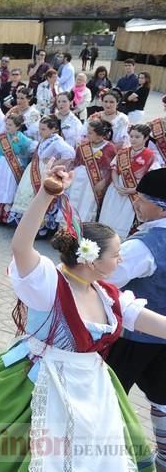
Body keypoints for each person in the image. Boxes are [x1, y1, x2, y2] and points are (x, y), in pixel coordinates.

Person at [0, 164, 166, 471]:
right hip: (41, 381)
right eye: (116, 254)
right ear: (92, 260)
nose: (121, 259)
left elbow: (150, 321)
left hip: (93, 389)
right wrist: (46, 194)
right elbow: (20, 246)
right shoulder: (50, 285)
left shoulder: (109, 296)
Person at [106, 168, 166, 472]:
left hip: (135, 336)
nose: (136, 204)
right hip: (164, 336)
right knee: (163, 397)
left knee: (107, 393)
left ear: (160, 206)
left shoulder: (144, 244)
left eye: (140, 199)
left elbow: (106, 278)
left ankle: (105, 458)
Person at [7, 117, 75, 233]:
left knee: (38, 194)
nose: (40, 131)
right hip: (35, 167)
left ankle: (38, 228)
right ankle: (25, 225)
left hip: (44, 169)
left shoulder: (57, 141)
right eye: (40, 128)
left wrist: (53, 163)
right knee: (27, 193)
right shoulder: (46, 139)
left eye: (43, 129)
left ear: (53, 129)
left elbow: (69, 154)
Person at [99, 125, 161, 238]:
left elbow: (151, 177)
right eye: (131, 136)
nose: (133, 139)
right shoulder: (123, 152)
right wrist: (117, 185)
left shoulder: (150, 155)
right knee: (109, 214)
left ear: (146, 138)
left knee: (124, 218)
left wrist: (134, 189)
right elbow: (114, 168)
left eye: (137, 137)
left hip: (134, 191)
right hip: (117, 189)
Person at [0, 114, 35, 223]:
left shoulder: (21, 137)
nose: (7, 126)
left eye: (10, 125)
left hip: (12, 167)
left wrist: (21, 158)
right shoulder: (1, 136)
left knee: (9, 186)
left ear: (18, 126)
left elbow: (31, 149)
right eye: (6, 124)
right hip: (0, 164)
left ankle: (5, 214)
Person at [66, 119, 117, 223]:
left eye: (90, 132)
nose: (87, 134)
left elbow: (111, 169)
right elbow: (75, 163)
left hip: (92, 184)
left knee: (86, 205)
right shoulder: (83, 147)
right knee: (73, 203)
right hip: (77, 183)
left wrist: (103, 183)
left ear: (99, 135)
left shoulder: (109, 148)